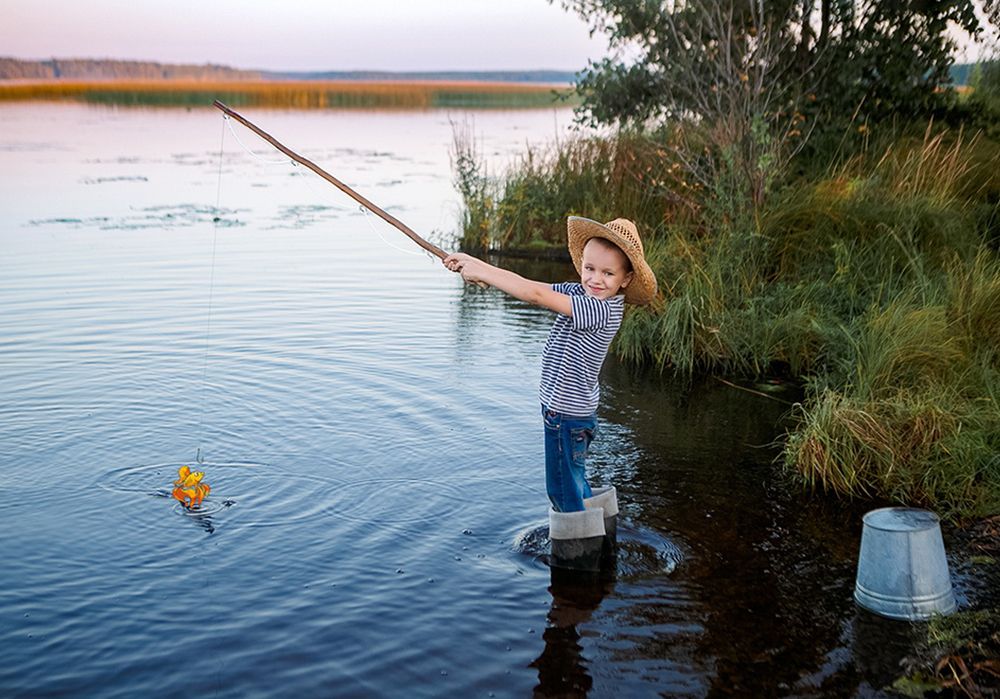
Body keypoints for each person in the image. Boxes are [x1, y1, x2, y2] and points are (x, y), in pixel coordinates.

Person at [443, 216, 657, 513]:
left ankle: (578, 555)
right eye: (589, 268)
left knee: (560, 490)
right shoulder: (580, 293)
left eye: (608, 273)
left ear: (626, 280)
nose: (595, 279)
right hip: (571, 412)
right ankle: (603, 532)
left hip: (567, 415)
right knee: (573, 482)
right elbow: (530, 287)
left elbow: (536, 295)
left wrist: (483, 272)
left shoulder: (600, 309)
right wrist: (478, 266)